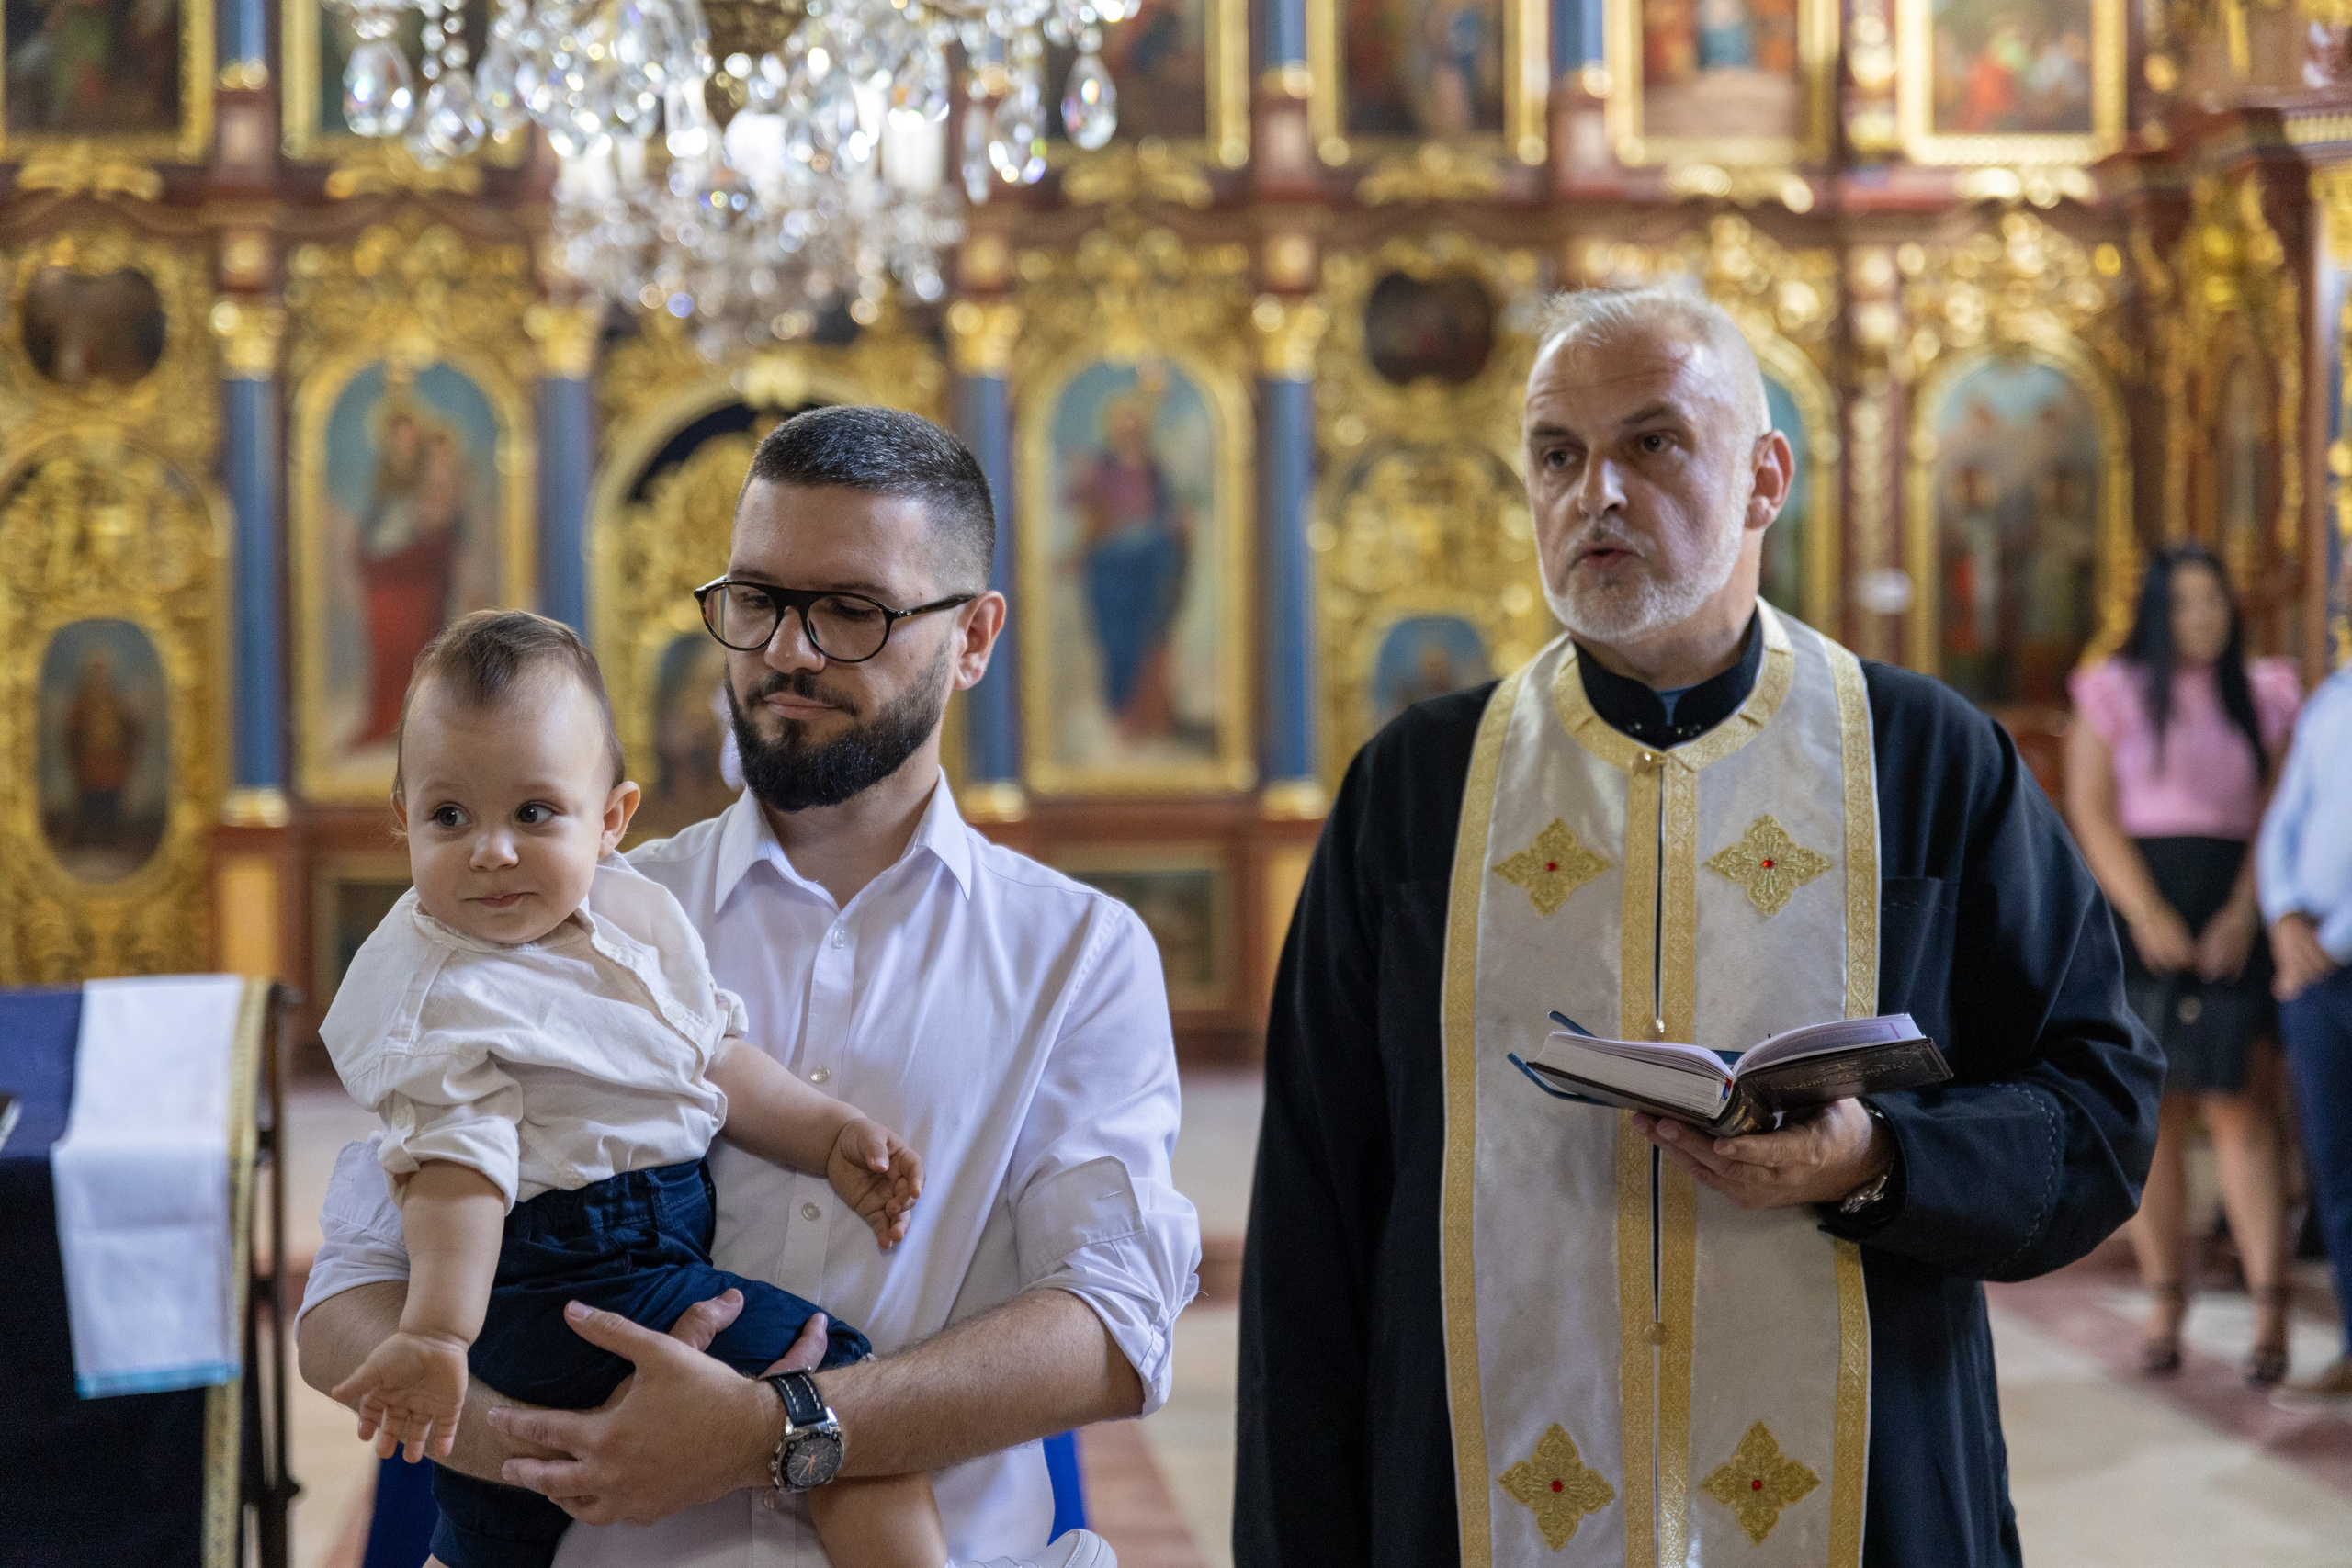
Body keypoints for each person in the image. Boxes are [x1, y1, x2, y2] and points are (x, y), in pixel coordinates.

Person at [1236, 280, 2161, 1568]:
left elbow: (2103, 1102)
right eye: (1557, 454)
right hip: (1482, 1494)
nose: (1595, 494)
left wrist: (1879, 1158)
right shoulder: (1417, 787)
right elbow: (1313, 1214)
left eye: (1652, 443)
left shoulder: (1926, 758)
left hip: (1858, 1486)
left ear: (1764, 476)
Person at [299, 406, 1199, 1568]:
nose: (788, 649)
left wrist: (775, 1433)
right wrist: (537, 1442)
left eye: (851, 612)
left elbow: (1115, 1329)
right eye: (759, 600)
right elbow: (345, 1301)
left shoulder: (1077, 952)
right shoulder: (560, 918)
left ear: (973, 638)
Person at [321, 608, 949, 1568]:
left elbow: (708, 1058)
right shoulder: (431, 985)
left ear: (610, 819)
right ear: (403, 814)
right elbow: (458, 1168)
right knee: (838, 1392)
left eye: (534, 813)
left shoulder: (628, 913)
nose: (491, 850)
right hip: (578, 1268)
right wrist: (442, 1335)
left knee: (499, 1528)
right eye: (451, 817)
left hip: (597, 1267)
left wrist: (824, 1136)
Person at [2064, 545, 2302, 1385]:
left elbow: (2281, 807)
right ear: (2157, 613)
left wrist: (2245, 908)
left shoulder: (2267, 691)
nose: (2205, 618)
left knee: (2242, 1108)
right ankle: (2168, 1302)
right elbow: (2091, 810)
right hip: (2145, 911)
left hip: (2237, 906)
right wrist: (2146, 912)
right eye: (2187, 604)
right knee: (2155, 1115)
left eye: (2215, 601)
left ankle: (2270, 1311)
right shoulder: (2114, 690)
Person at [2257, 547, 2352, 1407]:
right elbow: (2283, 823)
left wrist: (2333, 934)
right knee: (2337, 1165)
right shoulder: (2331, 702)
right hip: (2317, 974)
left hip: (2335, 952)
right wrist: (2286, 917)